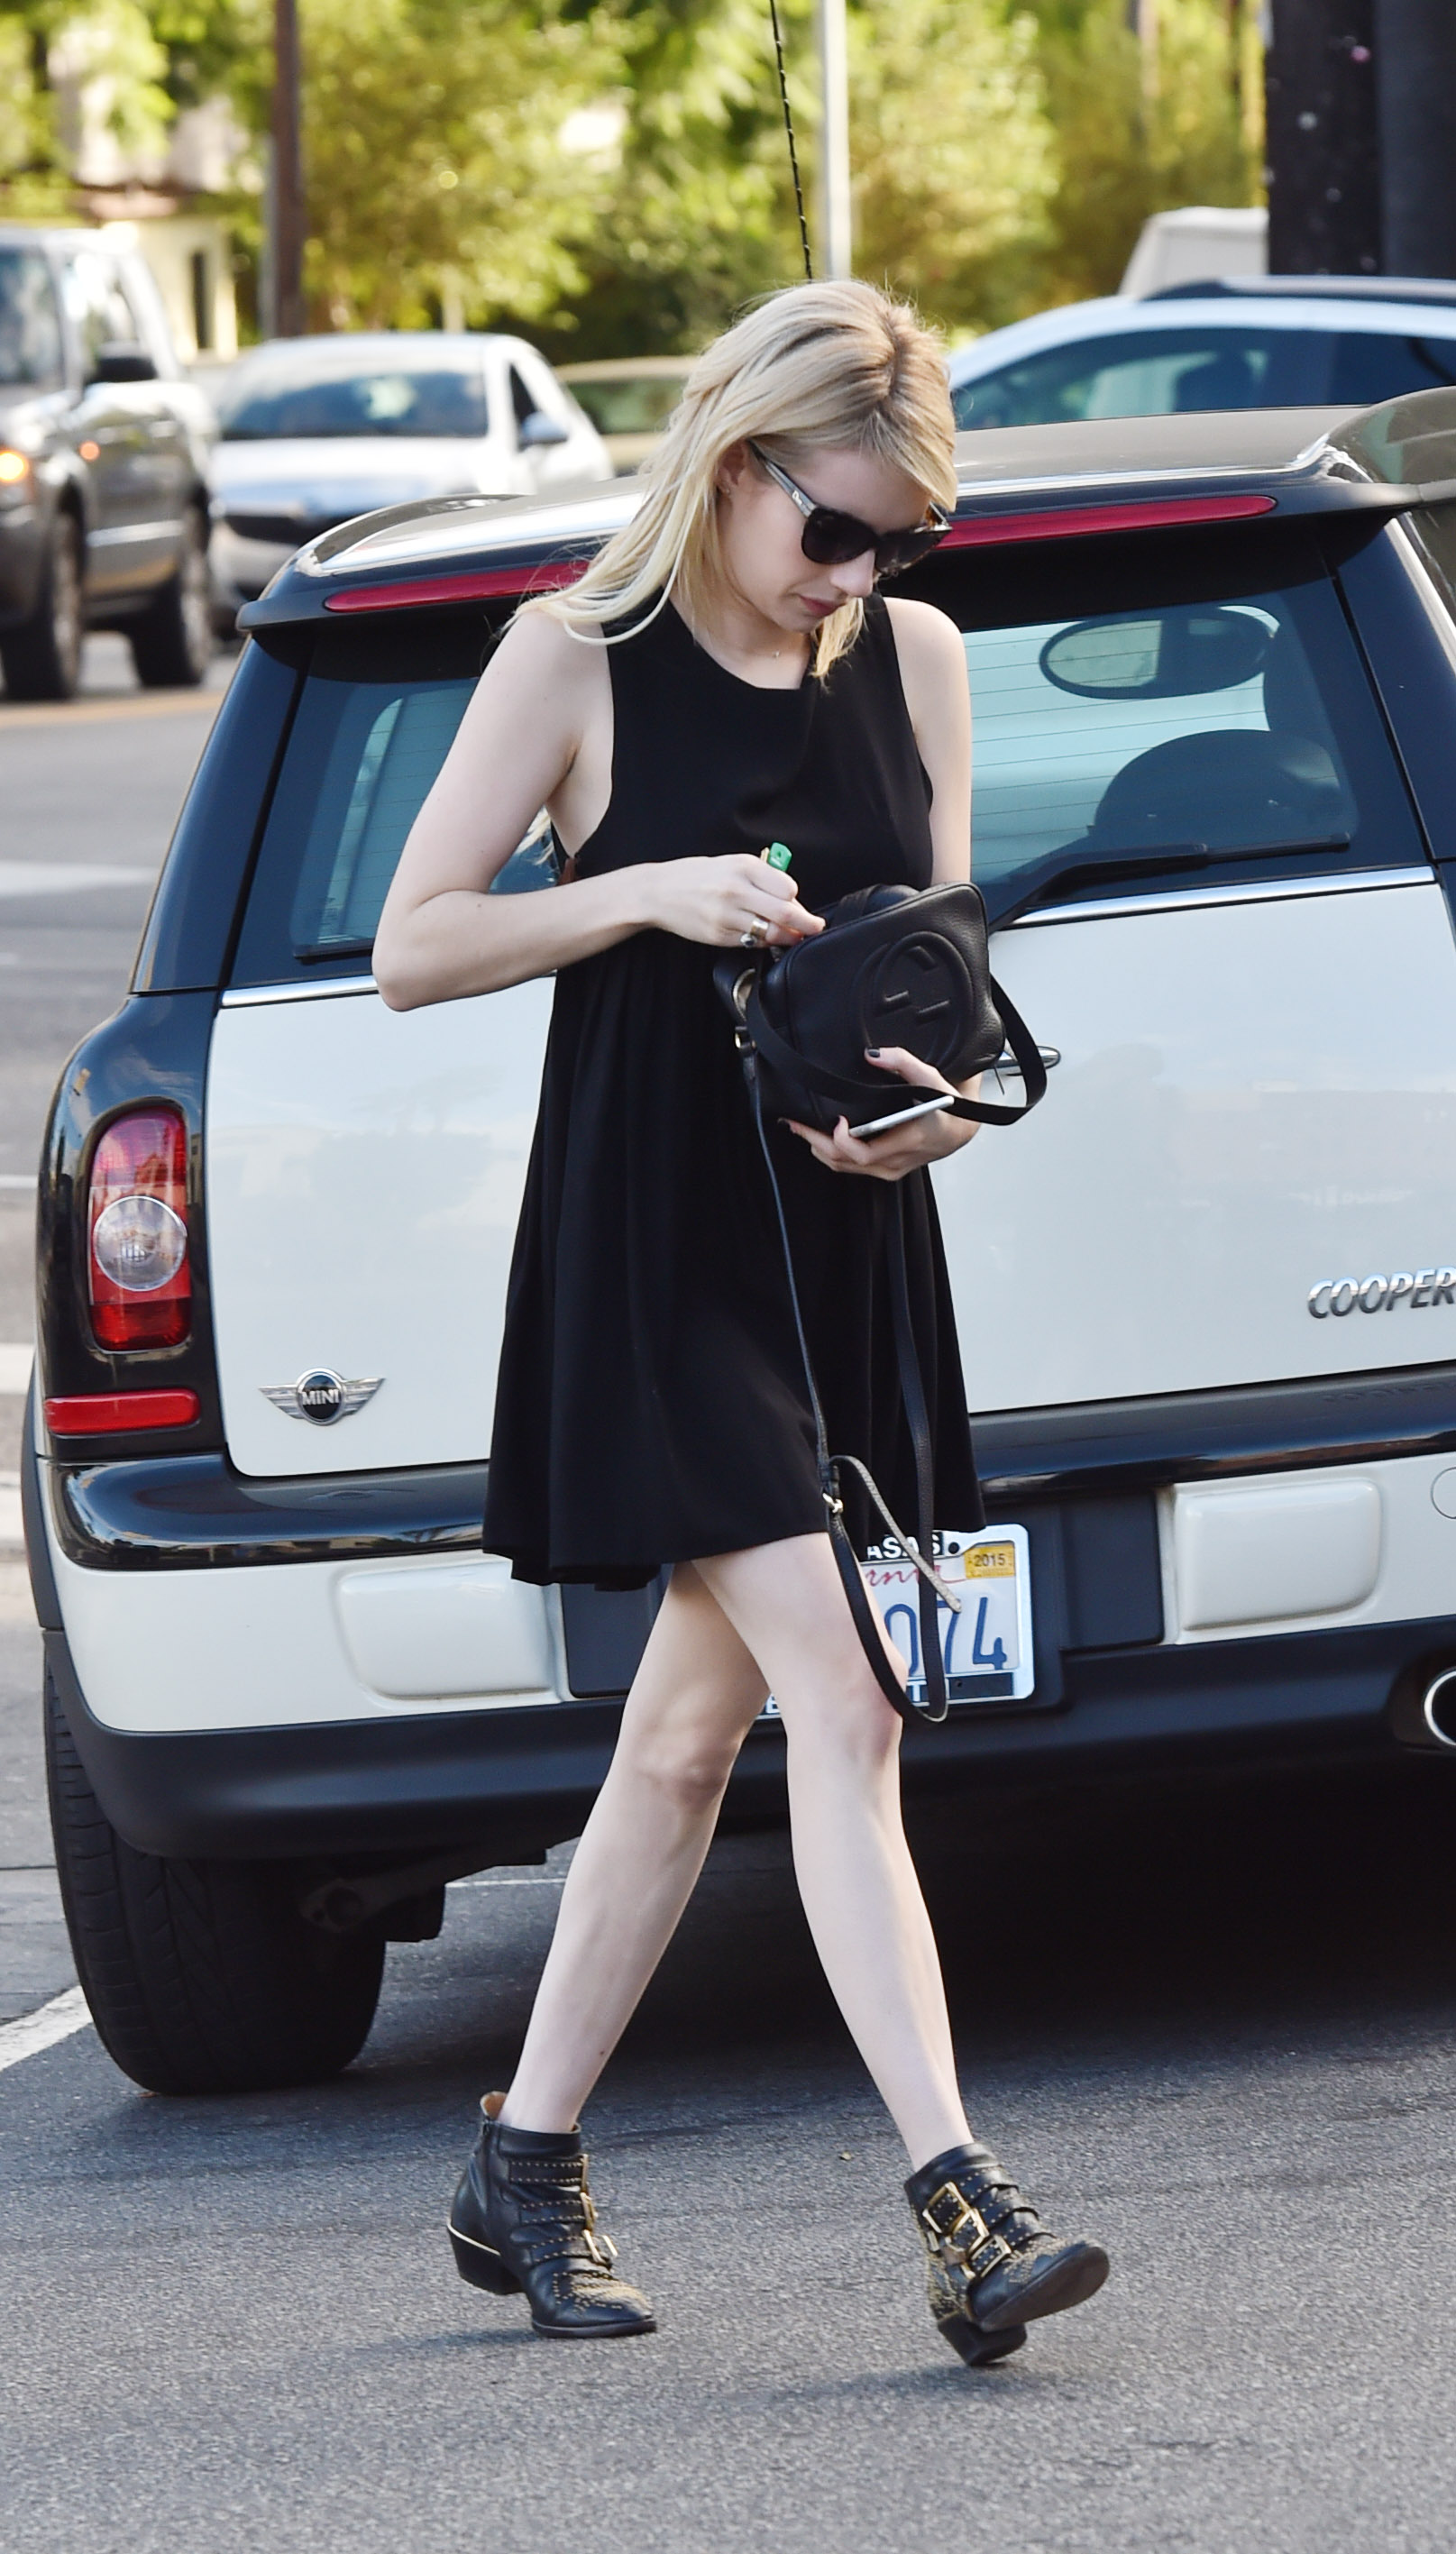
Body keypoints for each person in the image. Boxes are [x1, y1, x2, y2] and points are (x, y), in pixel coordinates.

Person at [373, 279, 1108, 2367]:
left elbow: (928, 971)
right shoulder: (573, 658)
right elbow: (412, 944)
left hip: (839, 1240)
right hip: (659, 1252)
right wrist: (642, 889)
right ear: (732, 460)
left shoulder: (919, 662)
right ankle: (959, 2198)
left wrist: (935, 1118)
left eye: (900, 539)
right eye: (834, 530)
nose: (857, 576)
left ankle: (522, 2157)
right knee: (847, 1705)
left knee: (689, 1739)